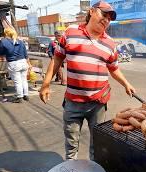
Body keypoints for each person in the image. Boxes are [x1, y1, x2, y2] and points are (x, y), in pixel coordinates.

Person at [39, 1, 136, 160]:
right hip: (73, 103)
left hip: (98, 103)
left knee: (96, 145)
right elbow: (57, 59)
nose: (106, 20)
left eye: (110, 18)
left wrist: (126, 84)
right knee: (71, 146)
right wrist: (45, 84)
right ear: (91, 11)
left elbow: (114, 68)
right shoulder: (70, 32)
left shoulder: (110, 43)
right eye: (104, 15)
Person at [0, 28, 32, 103]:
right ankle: (26, 95)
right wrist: (29, 64)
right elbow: (26, 54)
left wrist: (1, 42)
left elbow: (0, 53)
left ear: (6, 33)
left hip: (14, 64)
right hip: (23, 62)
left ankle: (19, 97)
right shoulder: (20, 41)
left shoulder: (4, 41)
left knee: (17, 81)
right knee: (24, 80)